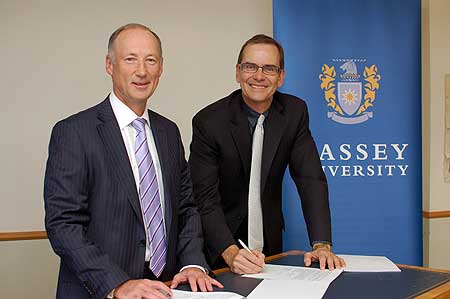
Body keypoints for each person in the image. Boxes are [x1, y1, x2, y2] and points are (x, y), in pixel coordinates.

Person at [44, 23, 222, 299]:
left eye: (150, 60)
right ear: (109, 65)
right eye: (130, 59)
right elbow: (63, 224)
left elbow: (186, 208)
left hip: (165, 288)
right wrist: (117, 284)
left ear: (161, 68)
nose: (142, 71)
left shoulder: (168, 131)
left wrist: (192, 262)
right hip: (101, 291)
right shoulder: (74, 132)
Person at [188, 34, 345, 274]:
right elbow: (205, 199)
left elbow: (310, 179)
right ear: (238, 72)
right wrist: (230, 252)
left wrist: (321, 244)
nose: (259, 76)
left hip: (270, 247)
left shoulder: (294, 112)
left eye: (269, 68)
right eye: (250, 67)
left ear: (281, 77)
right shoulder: (209, 122)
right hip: (219, 248)